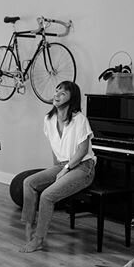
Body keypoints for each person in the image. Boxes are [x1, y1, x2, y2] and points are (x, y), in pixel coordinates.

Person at [19, 80, 96, 253]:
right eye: (57, 91)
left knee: (47, 195)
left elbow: (83, 150)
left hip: (83, 167)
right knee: (28, 182)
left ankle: (38, 239)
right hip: (63, 165)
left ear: (72, 98)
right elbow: (55, 147)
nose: (57, 95)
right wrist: (57, 169)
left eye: (63, 93)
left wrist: (65, 170)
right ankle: (28, 227)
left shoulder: (79, 120)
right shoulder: (49, 119)